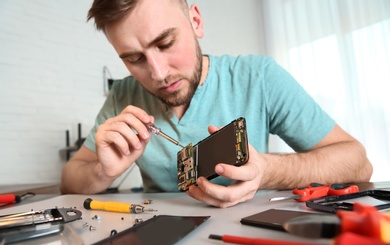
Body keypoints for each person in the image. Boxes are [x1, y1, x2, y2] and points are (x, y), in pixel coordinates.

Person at [60, 0, 372, 208]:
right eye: (133, 58)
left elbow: (358, 163)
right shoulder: (122, 96)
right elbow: (70, 178)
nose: (158, 73)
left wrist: (268, 171)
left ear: (195, 21)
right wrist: (103, 172)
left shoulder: (259, 77)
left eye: (165, 43)